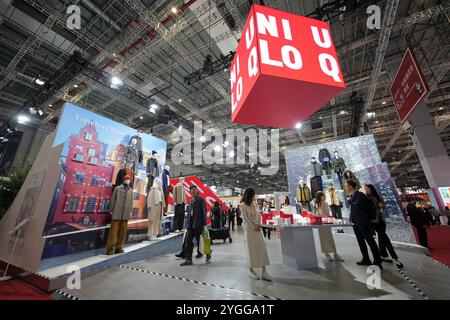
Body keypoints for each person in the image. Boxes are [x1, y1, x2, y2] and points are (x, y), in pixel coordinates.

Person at [345, 180, 383, 268]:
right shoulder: (353, 196)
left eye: (346, 186)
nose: (345, 188)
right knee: (361, 241)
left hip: (363, 222)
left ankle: (378, 261)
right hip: (356, 223)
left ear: (350, 186)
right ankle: (366, 259)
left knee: (370, 241)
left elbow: (360, 207)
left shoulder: (360, 195)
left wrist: (350, 201)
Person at [364, 184, 403, 268]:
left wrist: (381, 205)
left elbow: (382, 207)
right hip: (372, 222)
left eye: (367, 188)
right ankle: (389, 257)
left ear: (371, 189)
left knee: (383, 238)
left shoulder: (377, 197)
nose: (366, 190)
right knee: (383, 238)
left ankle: (390, 257)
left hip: (380, 221)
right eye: (365, 188)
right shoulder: (365, 198)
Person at [240, 188, 271, 281]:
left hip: (257, 229)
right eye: (253, 194)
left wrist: (259, 224)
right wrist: (254, 227)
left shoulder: (255, 203)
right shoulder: (243, 205)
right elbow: (245, 218)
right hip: (249, 231)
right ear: (249, 195)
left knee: (261, 248)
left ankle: (264, 270)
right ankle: (251, 269)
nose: (254, 196)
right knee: (251, 249)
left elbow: (259, 215)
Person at [179, 185, 209, 266]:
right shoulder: (191, 201)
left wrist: (204, 224)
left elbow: (204, 212)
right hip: (190, 225)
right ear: (190, 191)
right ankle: (188, 259)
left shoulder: (201, 200)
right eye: (193, 190)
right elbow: (189, 213)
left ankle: (208, 253)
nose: (194, 191)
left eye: (195, 190)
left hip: (198, 224)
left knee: (201, 242)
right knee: (188, 242)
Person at [312, 192, 344, 262]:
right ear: (320, 197)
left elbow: (327, 213)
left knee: (329, 238)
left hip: (326, 223)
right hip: (321, 223)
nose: (325, 197)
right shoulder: (317, 204)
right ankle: (327, 253)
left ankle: (335, 254)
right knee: (323, 238)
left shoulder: (325, 203)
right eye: (323, 196)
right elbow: (316, 214)